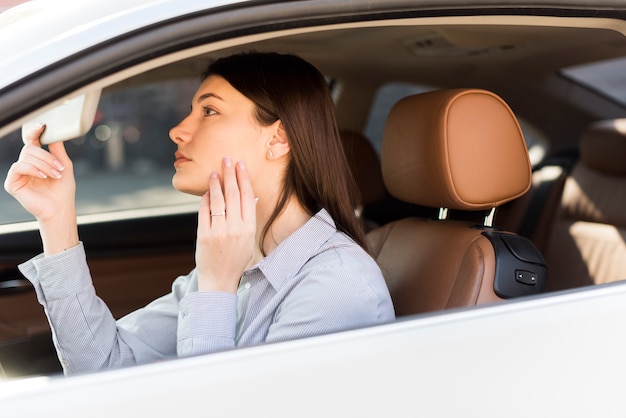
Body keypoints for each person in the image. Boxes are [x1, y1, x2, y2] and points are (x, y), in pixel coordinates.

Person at [4, 52, 395, 375]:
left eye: (208, 111)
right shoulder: (235, 264)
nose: (178, 130)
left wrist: (216, 287)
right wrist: (56, 219)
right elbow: (100, 365)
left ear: (278, 139)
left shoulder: (338, 286)